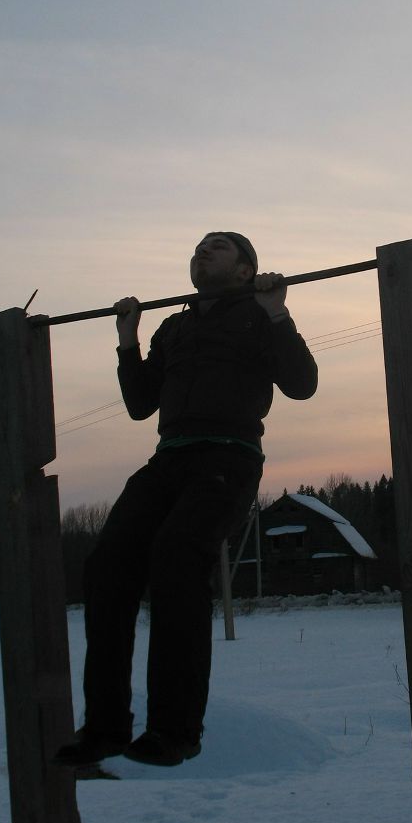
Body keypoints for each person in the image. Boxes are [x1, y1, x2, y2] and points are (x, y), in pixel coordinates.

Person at [54, 231, 318, 768]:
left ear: (246, 270)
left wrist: (277, 315)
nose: (203, 250)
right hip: (169, 459)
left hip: (227, 458)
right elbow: (139, 403)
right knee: (107, 567)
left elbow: (302, 384)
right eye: (199, 245)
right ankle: (105, 729)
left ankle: (175, 731)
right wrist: (128, 338)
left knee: (177, 556)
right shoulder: (174, 327)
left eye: (219, 246)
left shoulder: (255, 316)